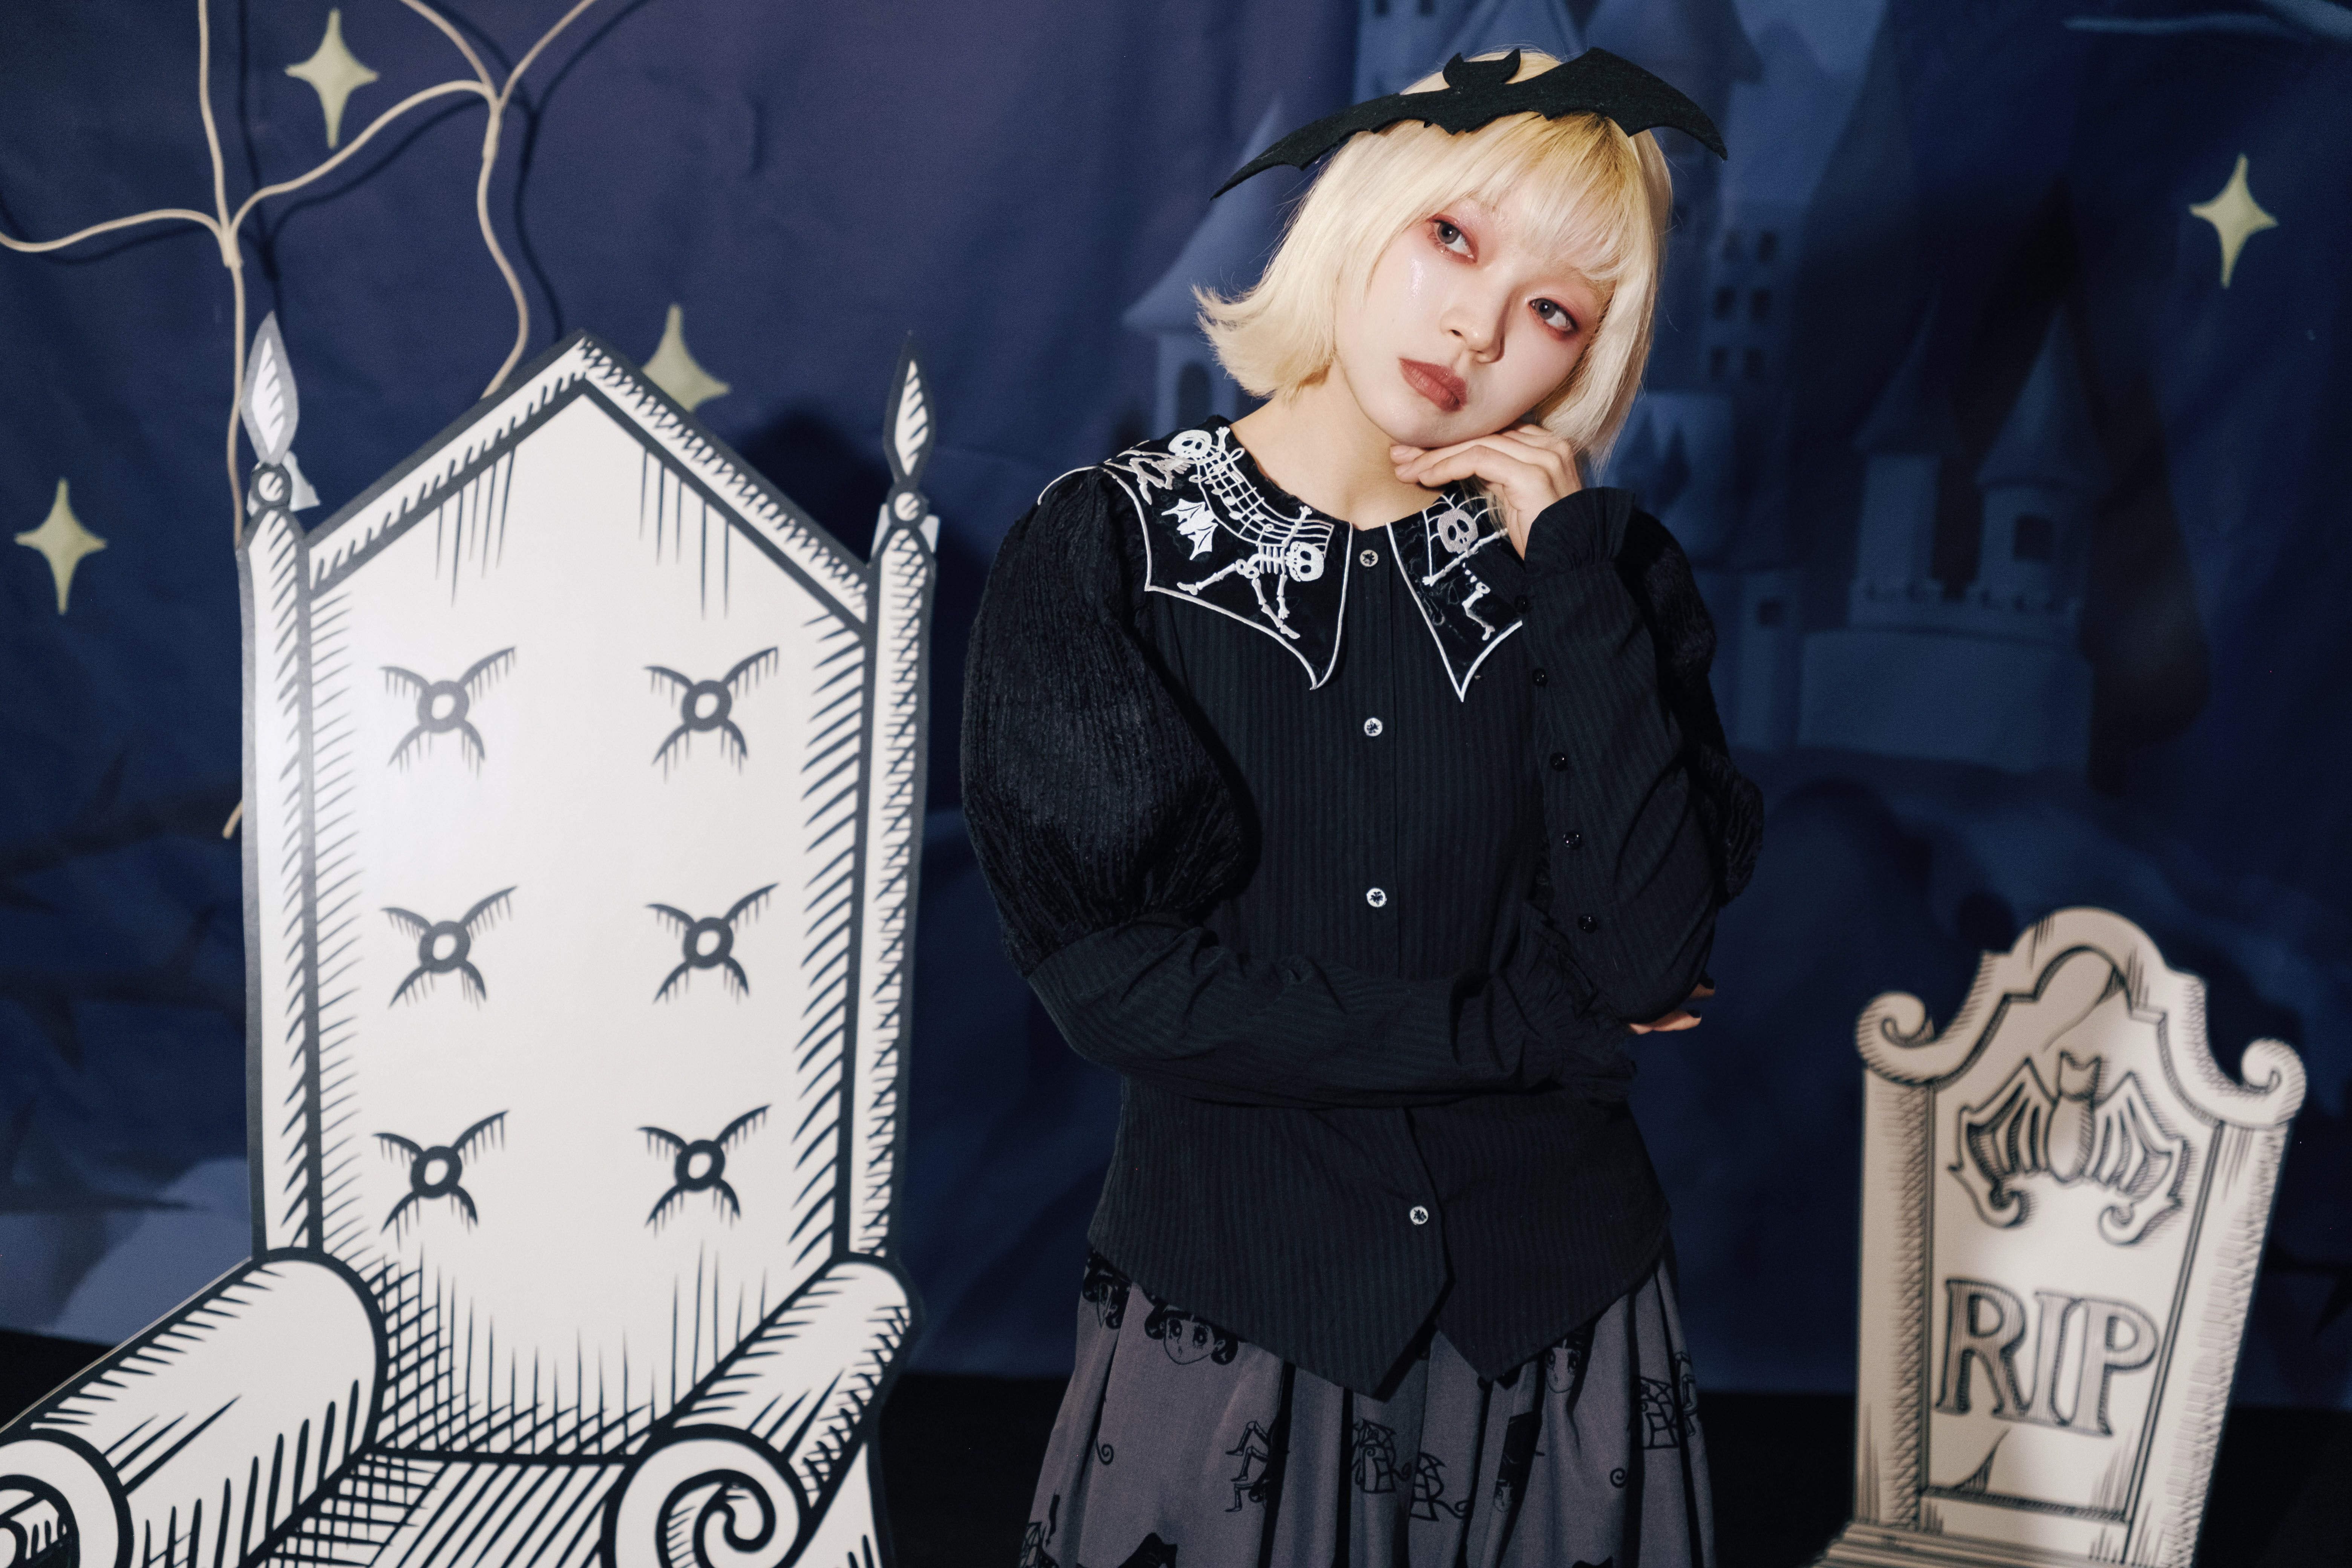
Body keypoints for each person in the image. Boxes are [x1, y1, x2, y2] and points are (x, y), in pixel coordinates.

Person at [963, 47, 1762, 1568]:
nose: (1479, 326)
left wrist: (1570, 575)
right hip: (1235, 1326)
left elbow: (1649, 956)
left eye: (1554, 311)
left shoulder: (1602, 578)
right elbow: (1122, 989)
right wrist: (1514, 1033)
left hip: (1562, 1337)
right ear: (1359, 217)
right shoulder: (1109, 553)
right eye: (1454, 238)